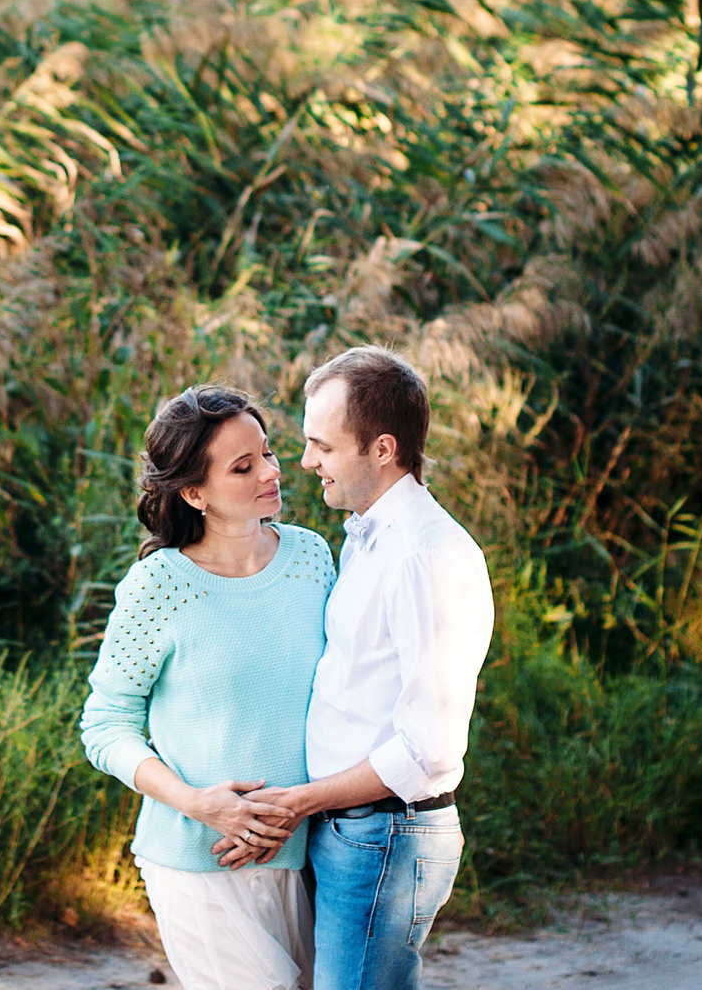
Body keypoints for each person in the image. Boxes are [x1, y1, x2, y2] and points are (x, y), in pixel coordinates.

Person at [226, 346, 493, 990]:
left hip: (386, 839)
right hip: (352, 831)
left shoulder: (424, 557)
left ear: (382, 449)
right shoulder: (368, 535)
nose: (306, 461)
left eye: (323, 445)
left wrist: (302, 802)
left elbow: (426, 748)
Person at [80, 384, 336, 990]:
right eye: (243, 467)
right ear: (194, 493)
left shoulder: (312, 558)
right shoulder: (159, 585)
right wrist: (200, 804)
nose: (271, 473)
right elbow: (105, 726)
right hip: (198, 858)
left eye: (269, 454)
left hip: (305, 853)